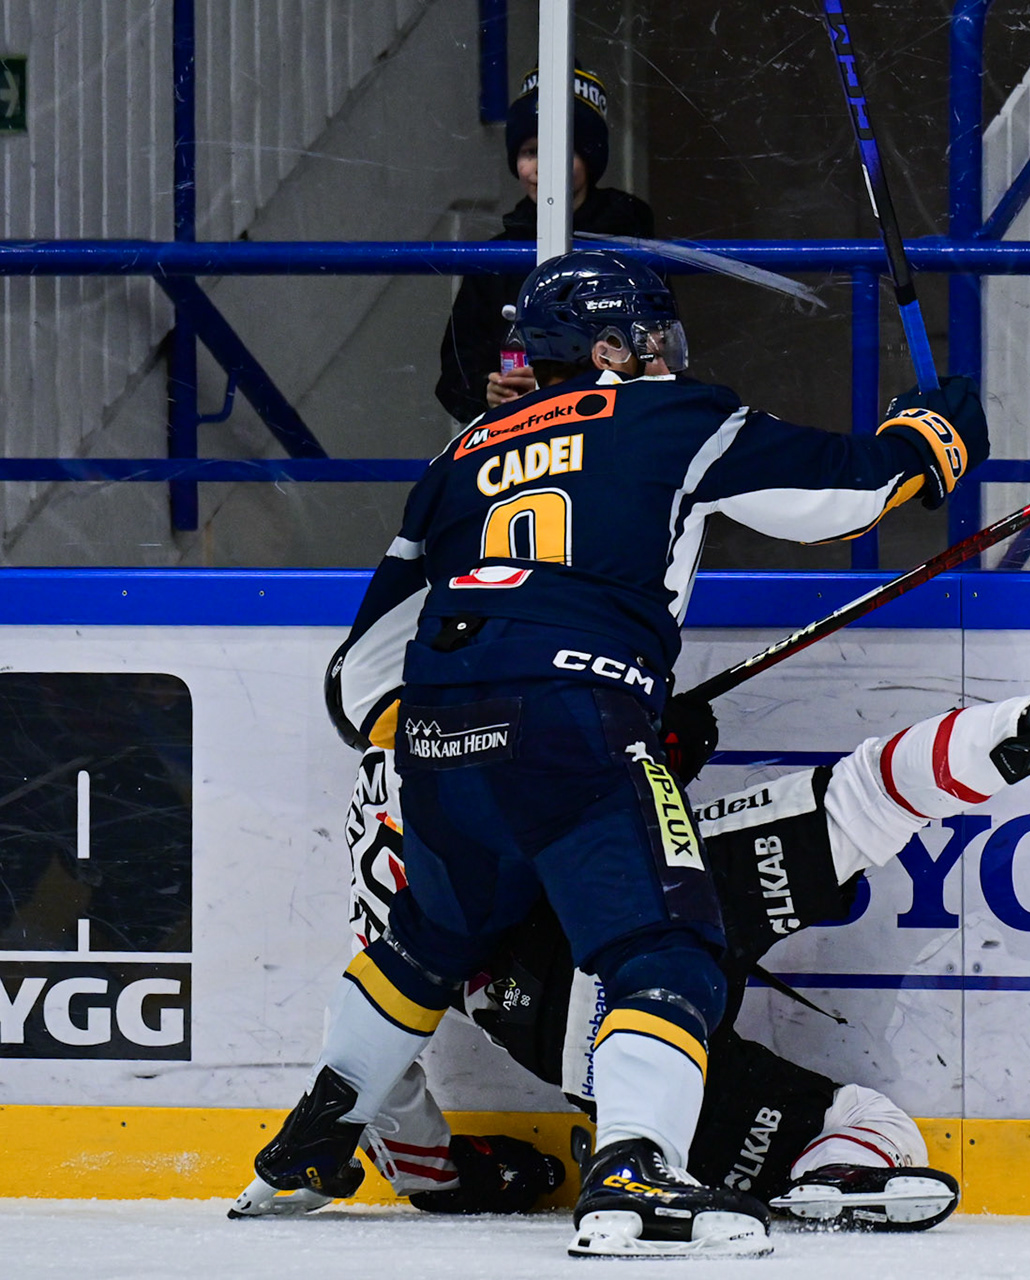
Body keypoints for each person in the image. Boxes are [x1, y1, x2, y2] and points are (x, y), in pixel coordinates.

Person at [234, 247, 988, 1259]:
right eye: (650, 337)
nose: (666, 353)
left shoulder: (460, 456)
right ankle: (634, 1165)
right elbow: (845, 494)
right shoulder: (672, 416)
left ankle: (309, 1145)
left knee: (425, 942)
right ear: (608, 350)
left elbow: (358, 675)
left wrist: (491, 721)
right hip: (575, 724)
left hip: (439, 735)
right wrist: (933, 437)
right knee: (665, 945)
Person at [237, 614, 1030, 1229]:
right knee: (858, 802)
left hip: (572, 1047)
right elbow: (570, 811)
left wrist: (440, 1176)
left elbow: (379, 1028)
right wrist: (636, 747)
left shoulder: (384, 798)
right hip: (628, 913)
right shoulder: (500, 709)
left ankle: (728, 1162)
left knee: (851, 1119)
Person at [436, 67, 655, 424]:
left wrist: (563, 384)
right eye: (531, 151)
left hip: (610, 430)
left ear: (590, 159)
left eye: (561, 151)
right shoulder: (498, 258)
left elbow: (657, 355)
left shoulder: (629, 247)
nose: (543, 168)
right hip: (524, 439)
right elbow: (455, 372)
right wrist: (487, 392)